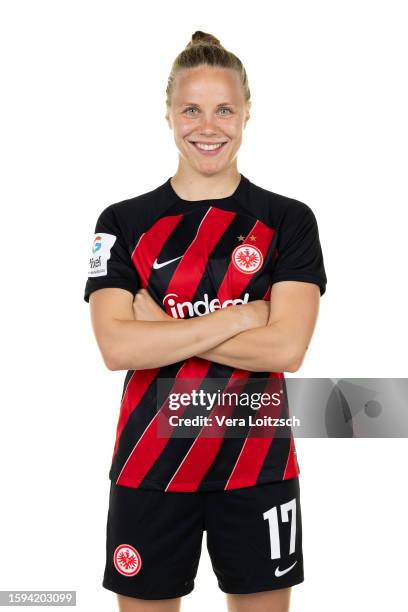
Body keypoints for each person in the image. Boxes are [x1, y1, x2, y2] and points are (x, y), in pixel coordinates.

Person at [84, 30, 327, 612]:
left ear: (247, 114)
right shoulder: (121, 222)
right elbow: (116, 345)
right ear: (168, 113)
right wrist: (244, 315)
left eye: (224, 109)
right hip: (150, 464)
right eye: (191, 108)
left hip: (258, 463)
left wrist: (161, 329)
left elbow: (286, 348)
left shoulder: (288, 221)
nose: (207, 125)